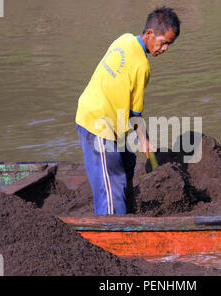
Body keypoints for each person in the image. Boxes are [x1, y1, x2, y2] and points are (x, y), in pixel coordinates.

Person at [75, 6, 180, 215]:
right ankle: (114, 229)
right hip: (97, 123)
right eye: (164, 42)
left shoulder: (124, 39)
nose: (165, 48)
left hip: (110, 120)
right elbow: (135, 114)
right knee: (111, 183)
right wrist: (145, 140)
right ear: (150, 33)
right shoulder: (142, 66)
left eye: (170, 44)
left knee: (127, 162)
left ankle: (128, 214)